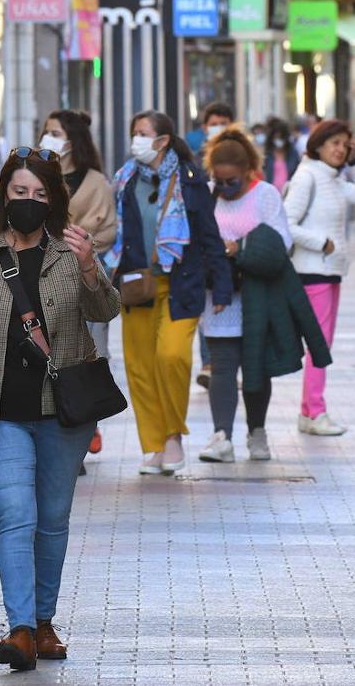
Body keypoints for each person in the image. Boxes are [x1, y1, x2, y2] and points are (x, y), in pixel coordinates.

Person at [0, 145, 119, 672]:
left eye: (40, 194)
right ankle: (19, 628)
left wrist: (90, 266)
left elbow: (106, 309)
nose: (29, 201)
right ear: (3, 194)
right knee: (16, 514)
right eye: (20, 192)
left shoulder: (70, 251)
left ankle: (44, 622)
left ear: (55, 200)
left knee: (53, 519)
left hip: (61, 410)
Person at [104, 111, 232, 474]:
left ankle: (173, 434)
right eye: (134, 133)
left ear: (162, 140)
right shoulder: (126, 179)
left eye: (142, 133)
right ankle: (155, 444)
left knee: (172, 356)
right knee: (141, 366)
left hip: (180, 283)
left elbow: (209, 235)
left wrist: (221, 284)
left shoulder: (192, 180)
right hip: (136, 282)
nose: (136, 140)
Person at [197, 129, 322, 464]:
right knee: (222, 367)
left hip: (257, 294)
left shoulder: (265, 195)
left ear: (248, 171)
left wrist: (240, 248)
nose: (223, 188)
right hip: (221, 297)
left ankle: (257, 432)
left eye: (231, 181)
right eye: (218, 180)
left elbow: (280, 242)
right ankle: (222, 435)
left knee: (256, 365)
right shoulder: (207, 195)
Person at [283, 119, 355, 437]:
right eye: (334, 143)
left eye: (345, 144)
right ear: (319, 144)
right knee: (319, 345)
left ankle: (309, 411)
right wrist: (320, 242)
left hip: (331, 269)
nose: (339, 149)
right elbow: (287, 222)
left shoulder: (334, 178)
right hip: (311, 270)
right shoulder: (307, 176)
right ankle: (315, 410)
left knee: (323, 344)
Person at [42, 108, 116, 456]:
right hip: (42, 275)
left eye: (55, 132)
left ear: (73, 140)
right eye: (46, 131)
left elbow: (108, 230)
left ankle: (89, 420)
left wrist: (81, 244)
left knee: (91, 350)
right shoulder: (39, 176)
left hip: (84, 275)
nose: (49, 138)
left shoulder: (95, 181)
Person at [262, 117, 300, 193]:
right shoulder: (267, 155)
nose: (279, 140)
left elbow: (297, 173)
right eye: (276, 137)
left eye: (281, 137)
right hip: (271, 193)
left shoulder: (293, 154)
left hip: (289, 193)